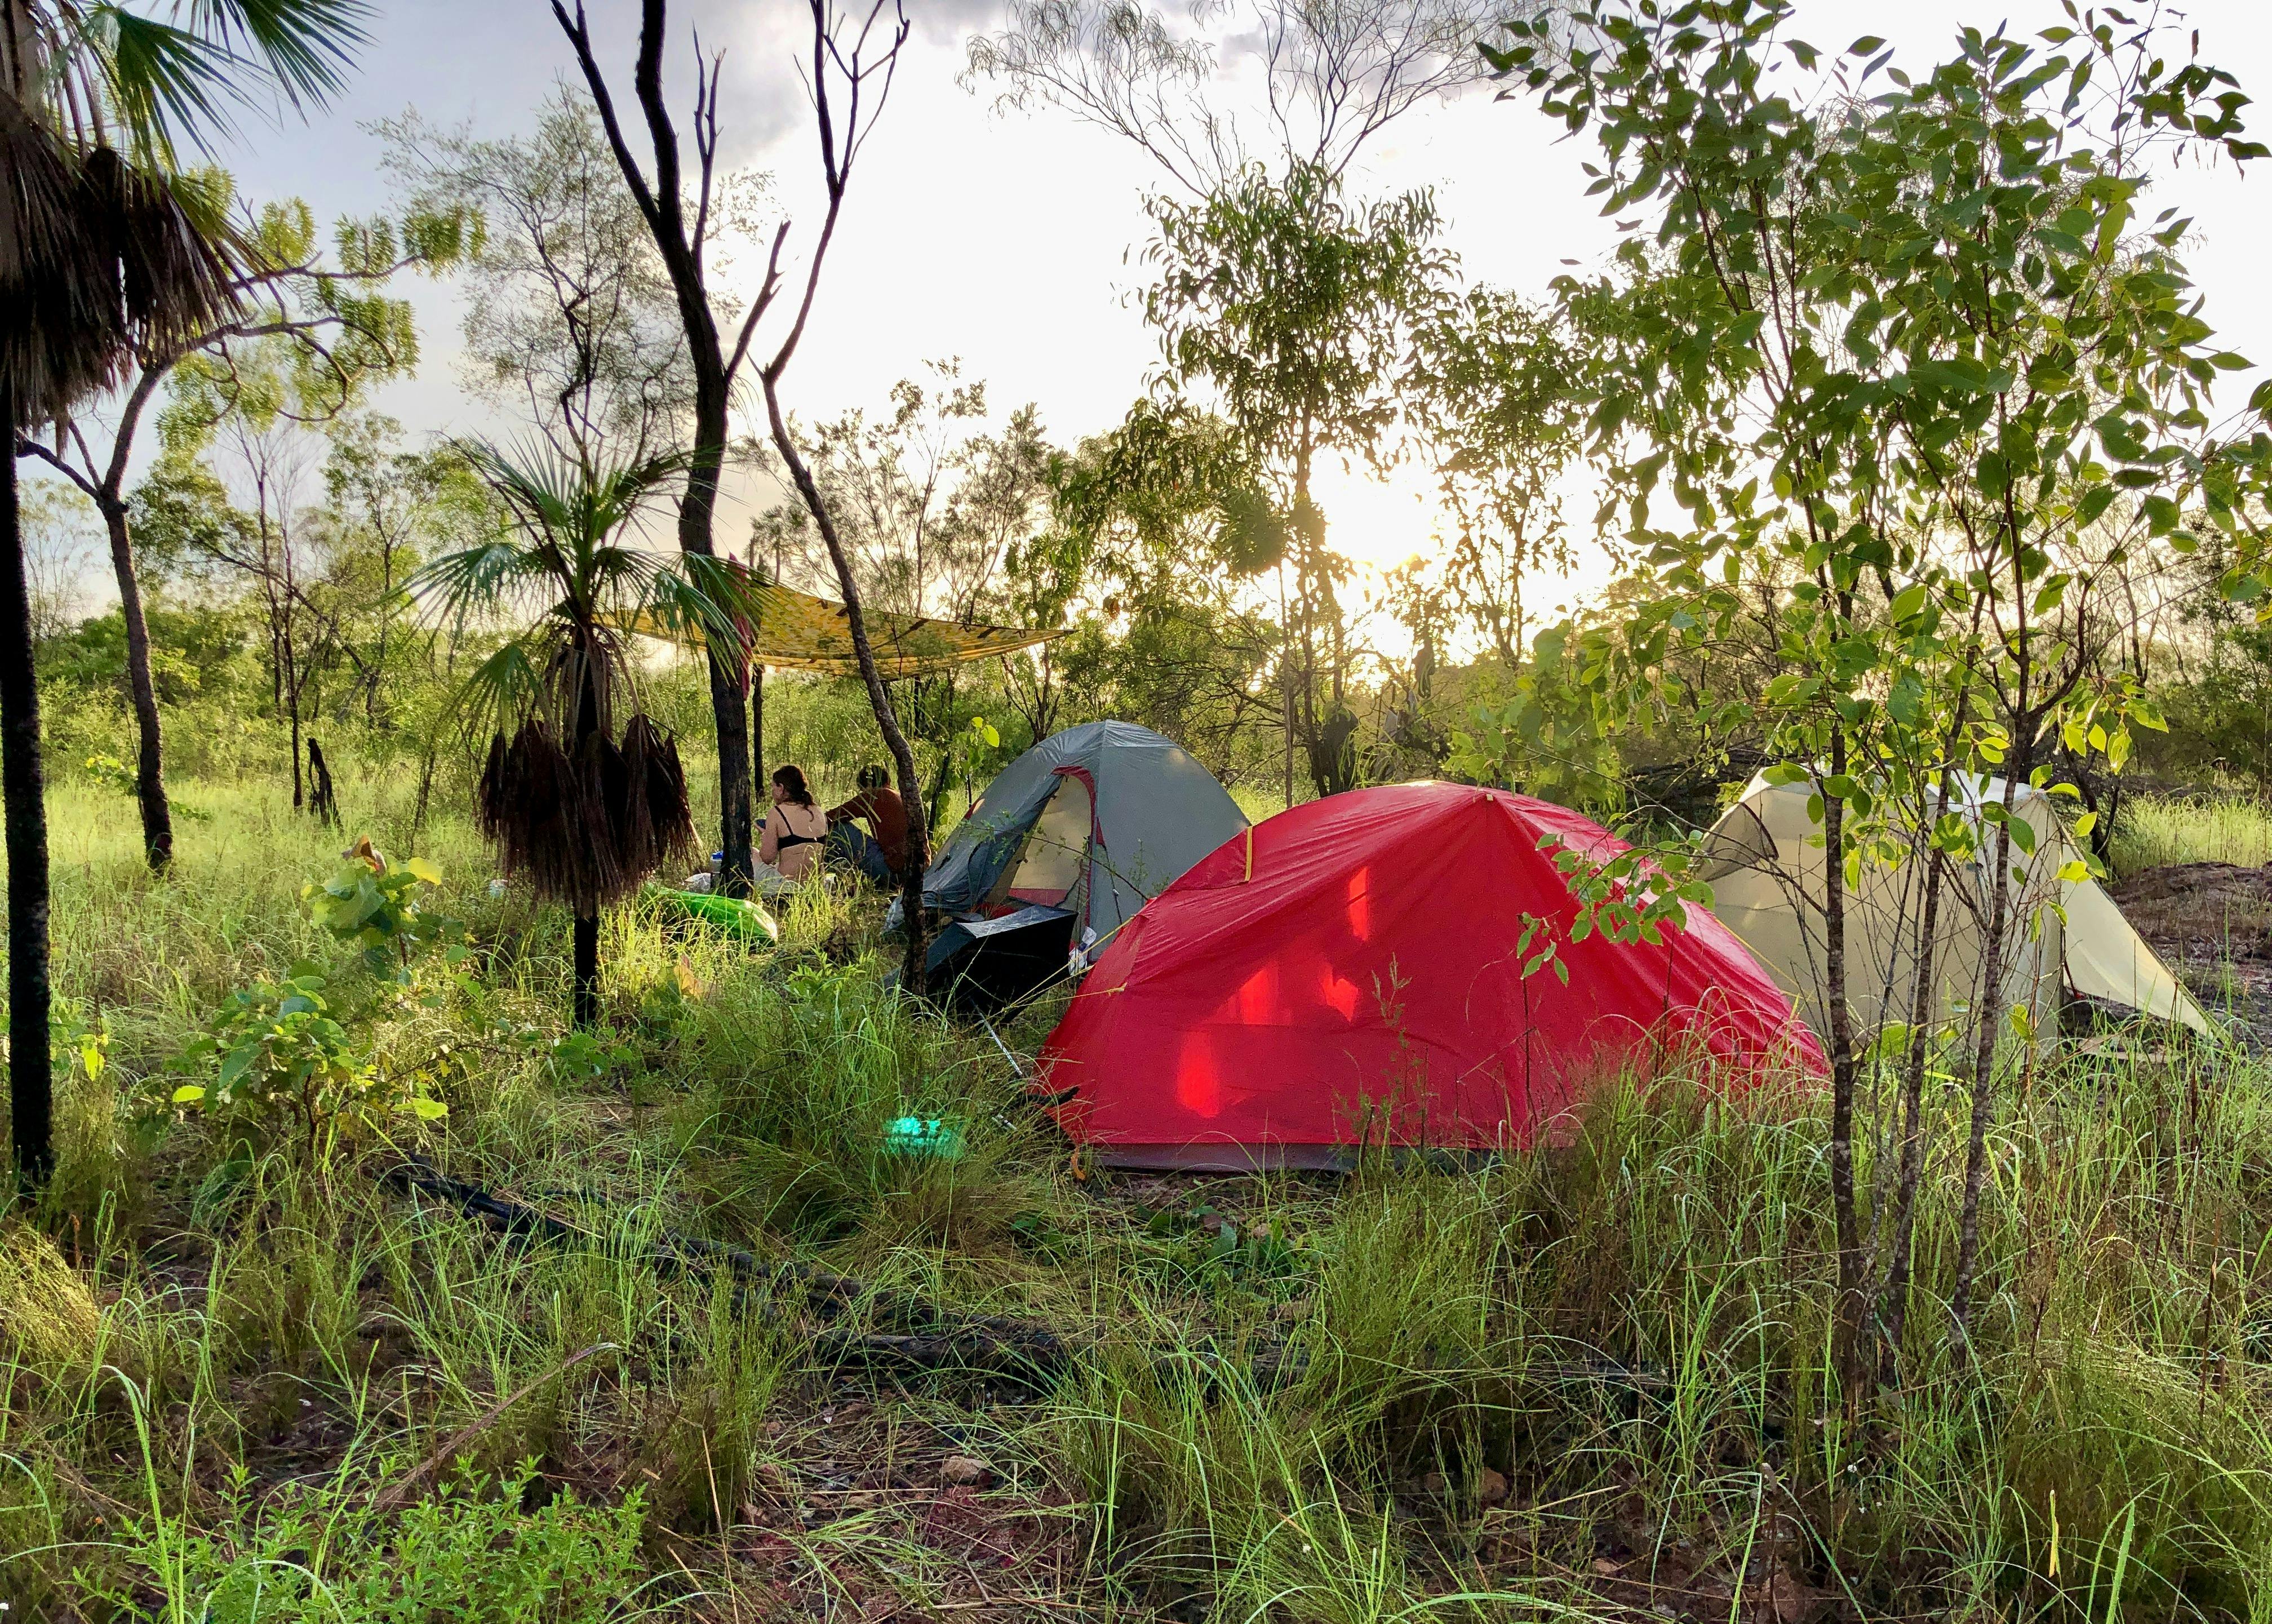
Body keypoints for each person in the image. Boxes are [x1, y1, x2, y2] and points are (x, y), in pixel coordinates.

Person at [827, 763, 907, 887]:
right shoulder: (900, 796)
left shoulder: (874, 795)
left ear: (866, 786)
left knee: (838, 829)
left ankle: (822, 875)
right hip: (917, 875)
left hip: (891, 872)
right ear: (888, 780)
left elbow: (831, 817)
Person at [759, 764, 828, 883]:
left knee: (753, 855)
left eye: (773, 787)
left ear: (781, 788)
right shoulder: (819, 811)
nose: (772, 792)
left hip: (787, 885)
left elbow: (767, 858)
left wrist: (766, 835)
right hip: (816, 885)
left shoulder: (778, 812)